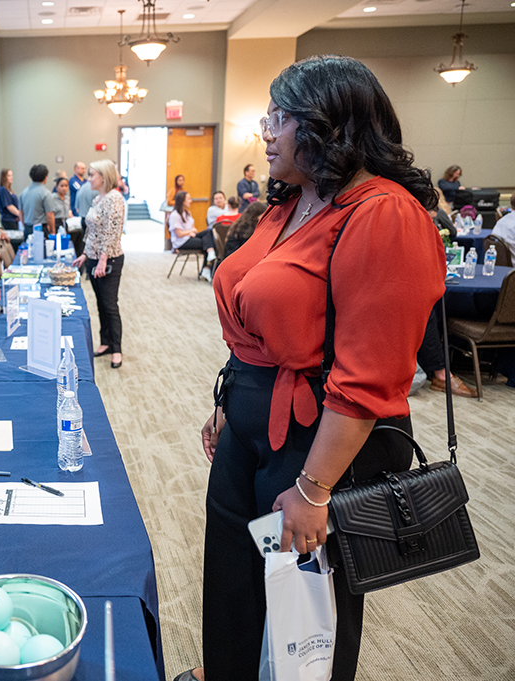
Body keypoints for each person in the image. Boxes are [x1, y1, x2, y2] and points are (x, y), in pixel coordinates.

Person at [189, 55, 445, 681]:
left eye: (278, 118)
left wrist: (313, 489)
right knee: (233, 583)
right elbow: (258, 321)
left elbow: (369, 376)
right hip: (250, 422)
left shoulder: (383, 213)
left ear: (326, 124)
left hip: (318, 443)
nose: (266, 133)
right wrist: (231, 401)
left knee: (305, 614)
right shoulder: (292, 201)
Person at [73, 160, 125, 369]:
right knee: (100, 303)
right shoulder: (98, 198)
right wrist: (86, 253)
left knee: (110, 305)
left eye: (92, 174)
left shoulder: (114, 198)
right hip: (95, 258)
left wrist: (102, 259)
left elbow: (112, 232)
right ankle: (105, 342)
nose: (89, 178)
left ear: (104, 176)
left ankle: (117, 349)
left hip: (109, 260)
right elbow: (92, 231)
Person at [169, 190, 218, 282]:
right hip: (181, 242)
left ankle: (209, 258)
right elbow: (178, 234)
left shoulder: (187, 212)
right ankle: (206, 269)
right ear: (182, 201)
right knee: (208, 243)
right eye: (189, 199)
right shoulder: (175, 215)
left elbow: (192, 227)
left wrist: (191, 232)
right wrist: (189, 232)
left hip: (189, 237)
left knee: (209, 232)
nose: (190, 201)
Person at [19, 164, 55, 235]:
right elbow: (50, 215)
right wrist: (52, 231)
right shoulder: (46, 193)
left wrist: (25, 226)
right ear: (45, 177)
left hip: (27, 227)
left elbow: (21, 213)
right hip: (41, 228)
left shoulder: (24, 192)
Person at [0, 168, 22, 240]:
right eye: (9, 176)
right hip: (8, 220)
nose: (11, 177)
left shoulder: (9, 190)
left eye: (11, 175)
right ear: (4, 177)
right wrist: (20, 215)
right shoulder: (3, 190)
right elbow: (9, 206)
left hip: (14, 219)